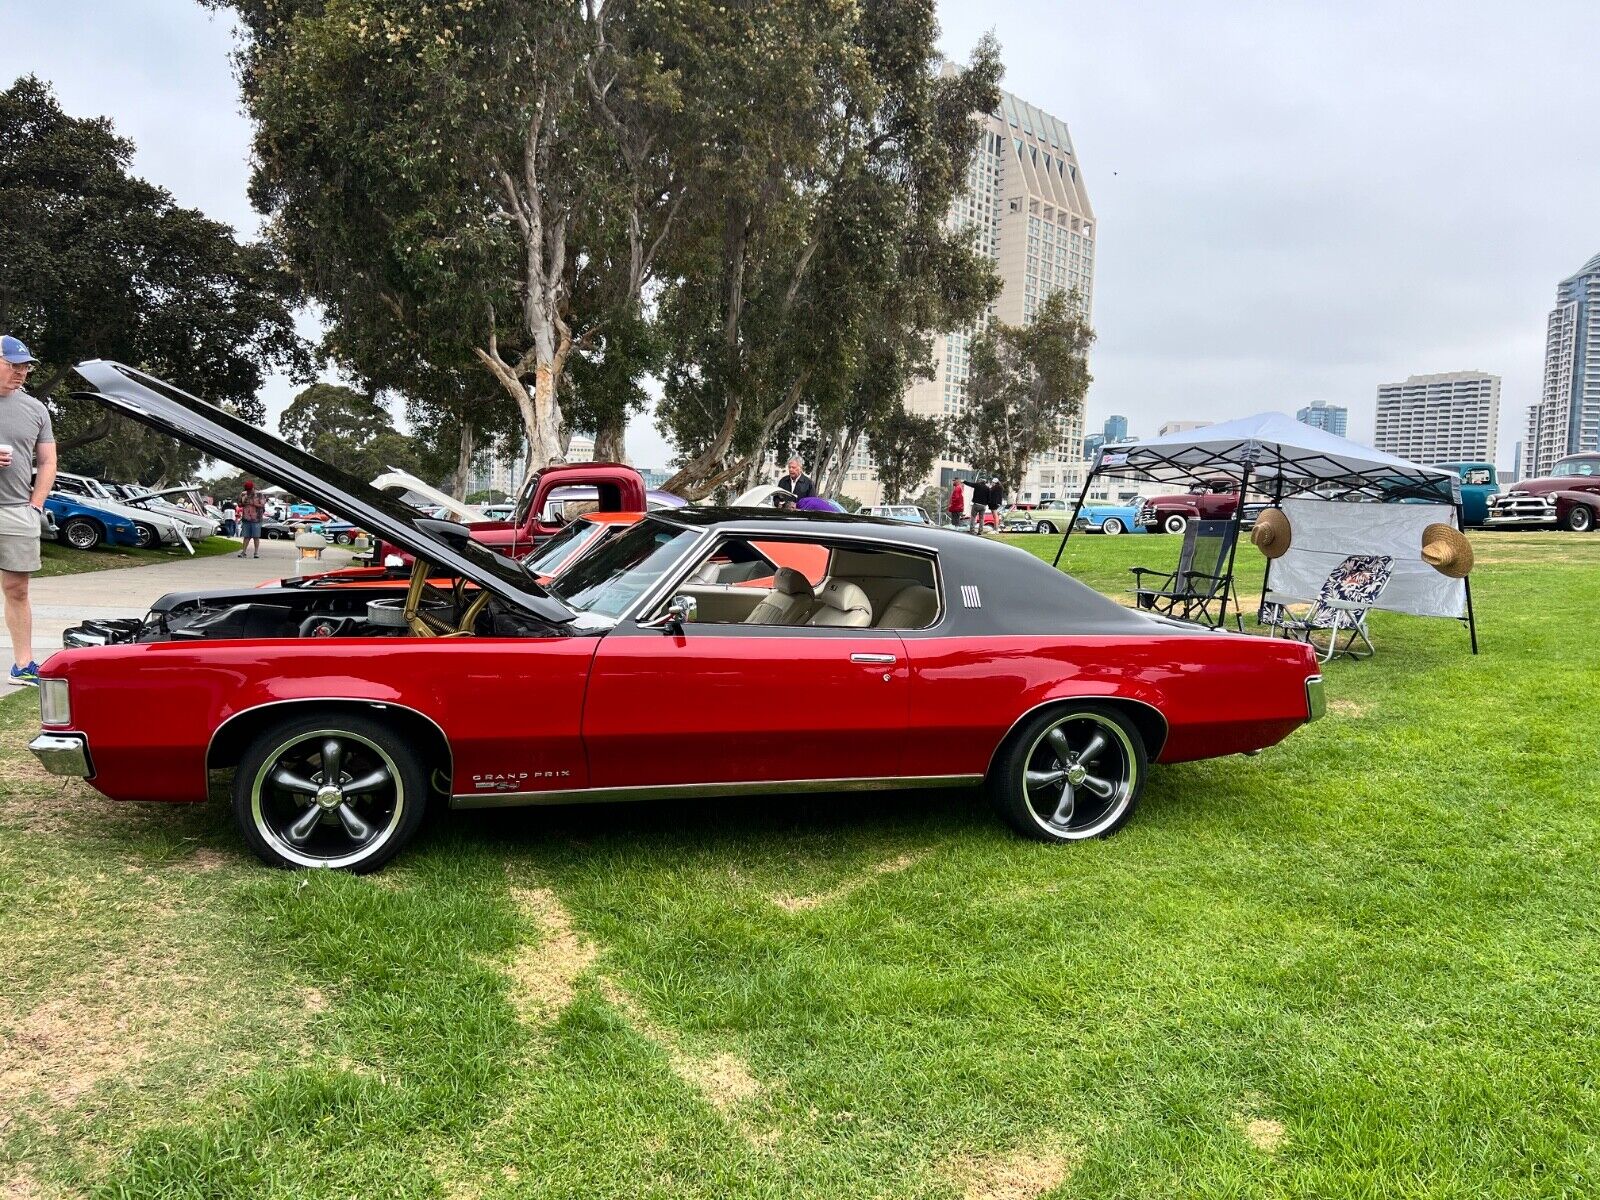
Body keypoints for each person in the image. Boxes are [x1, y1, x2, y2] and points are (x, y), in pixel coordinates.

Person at [0, 336, 58, 686]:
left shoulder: (36, 409)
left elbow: (48, 460)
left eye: (25, 367)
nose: (21, 373)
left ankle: (23, 664)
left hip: (16, 511)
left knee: (17, 589)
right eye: (13, 365)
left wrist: (36, 504)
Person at [236, 482, 265, 559]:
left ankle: (256, 552)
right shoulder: (243, 494)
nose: (248, 491)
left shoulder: (259, 494)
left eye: (249, 489)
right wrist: (243, 503)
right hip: (246, 518)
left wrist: (253, 503)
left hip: (256, 518)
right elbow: (239, 504)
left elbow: (262, 505)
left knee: (256, 536)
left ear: (253, 488)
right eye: (247, 490)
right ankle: (244, 552)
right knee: (246, 536)